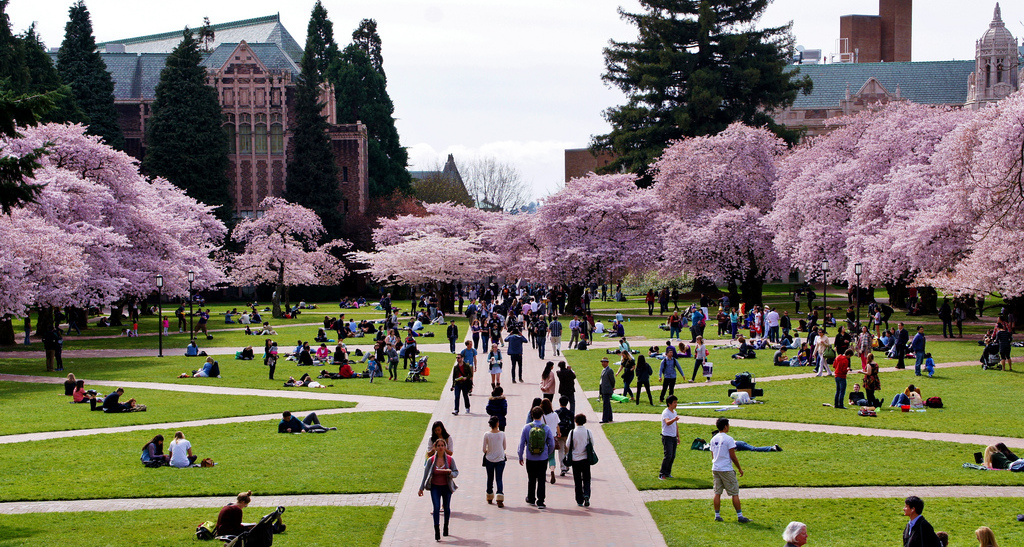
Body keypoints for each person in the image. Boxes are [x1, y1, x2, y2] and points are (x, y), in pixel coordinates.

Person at [710, 417, 750, 523]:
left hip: (716, 468)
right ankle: (740, 515)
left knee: (717, 492)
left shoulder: (713, 439)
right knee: (734, 492)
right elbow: (733, 456)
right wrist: (740, 468)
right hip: (726, 469)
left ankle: (717, 515)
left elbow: (712, 454)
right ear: (725, 426)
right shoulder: (729, 439)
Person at [419, 438, 459, 541]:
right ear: (435, 448)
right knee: (436, 507)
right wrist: (421, 488)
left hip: (446, 487)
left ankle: (446, 526)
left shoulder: (450, 460)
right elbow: (425, 475)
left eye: (442, 445)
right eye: (438, 446)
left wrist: (450, 473)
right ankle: (437, 530)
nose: (441, 447)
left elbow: (456, 472)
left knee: (446, 507)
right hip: (435, 487)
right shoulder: (431, 460)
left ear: (445, 447)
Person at [518, 405, 555, 508]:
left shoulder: (527, 427)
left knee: (531, 478)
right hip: (542, 458)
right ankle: (541, 500)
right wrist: (547, 453)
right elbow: (551, 443)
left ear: (532, 415)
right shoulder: (546, 428)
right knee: (542, 479)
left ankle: (531, 498)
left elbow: (521, 444)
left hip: (530, 458)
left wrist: (520, 456)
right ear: (542, 415)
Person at [566, 413, 593, 507]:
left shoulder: (572, 432)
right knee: (586, 479)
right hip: (585, 458)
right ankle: (586, 494)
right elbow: (592, 443)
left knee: (577, 480)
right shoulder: (588, 432)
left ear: (575, 421)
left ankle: (579, 500)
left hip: (575, 459)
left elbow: (568, 444)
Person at [482, 415, 506, 507]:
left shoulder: (487, 435)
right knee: (499, 478)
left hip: (489, 459)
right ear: (497, 423)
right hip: (500, 459)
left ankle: (489, 496)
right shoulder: (502, 434)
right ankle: (499, 497)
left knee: (490, 478)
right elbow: (504, 447)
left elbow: (484, 449)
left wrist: (489, 450)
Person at [540, 398, 561, 484]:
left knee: (543, 457)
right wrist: (558, 434)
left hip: (543, 438)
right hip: (552, 437)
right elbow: (557, 426)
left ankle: (543, 474)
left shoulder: (541, 415)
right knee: (551, 456)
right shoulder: (554, 414)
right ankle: (552, 470)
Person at [660, 395, 681, 480]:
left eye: (676, 402)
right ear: (669, 403)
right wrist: (674, 419)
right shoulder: (665, 412)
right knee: (668, 455)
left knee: (672, 456)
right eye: (674, 402)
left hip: (673, 437)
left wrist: (678, 436)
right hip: (667, 437)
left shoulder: (674, 412)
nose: (676, 404)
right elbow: (667, 422)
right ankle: (662, 474)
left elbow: (676, 425)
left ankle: (668, 473)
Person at [599, 357, 615, 424]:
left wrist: (611, 387)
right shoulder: (604, 370)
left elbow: (612, 380)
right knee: (607, 404)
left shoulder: (609, 370)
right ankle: (609, 417)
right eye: (602, 362)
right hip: (604, 389)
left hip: (607, 390)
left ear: (607, 363)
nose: (603, 363)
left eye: (604, 362)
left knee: (605, 405)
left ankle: (605, 419)